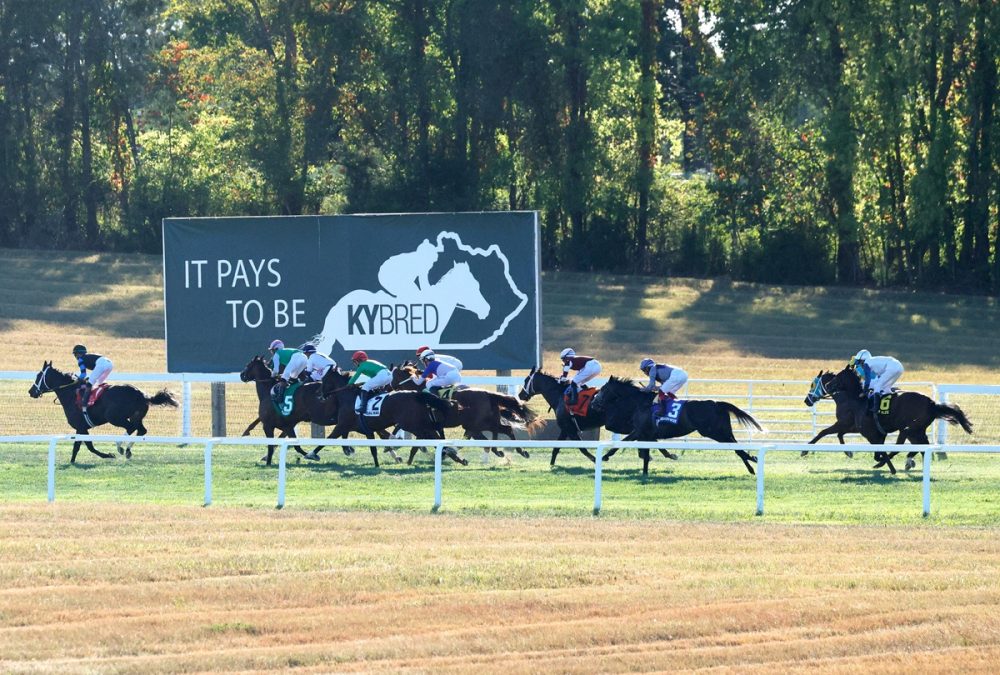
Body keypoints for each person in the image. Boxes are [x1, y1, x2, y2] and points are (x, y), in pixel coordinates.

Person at [348, 350, 392, 415]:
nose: (354, 363)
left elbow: (355, 376)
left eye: (355, 361)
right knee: (372, 387)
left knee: (365, 387)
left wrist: (349, 384)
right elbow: (373, 376)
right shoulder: (370, 362)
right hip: (389, 375)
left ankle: (363, 407)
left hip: (382, 375)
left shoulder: (361, 366)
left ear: (358, 360)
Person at [72, 344, 112, 413]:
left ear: (78, 354)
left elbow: (83, 374)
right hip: (110, 364)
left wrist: (77, 380)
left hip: (102, 364)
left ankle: (84, 405)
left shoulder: (80, 359)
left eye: (75, 354)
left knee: (89, 385)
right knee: (99, 384)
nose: (75, 356)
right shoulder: (89, 356)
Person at [268, 339, 306, 404]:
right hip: (304, 358)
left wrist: (272, 376)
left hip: (297, 357)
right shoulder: (284, 352)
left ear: (276, 349)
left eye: (272, 350)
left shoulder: (277, 354)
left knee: (284, 378)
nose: (272, 352)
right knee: (293, 378)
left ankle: (280, 398)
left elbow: (276, 370)